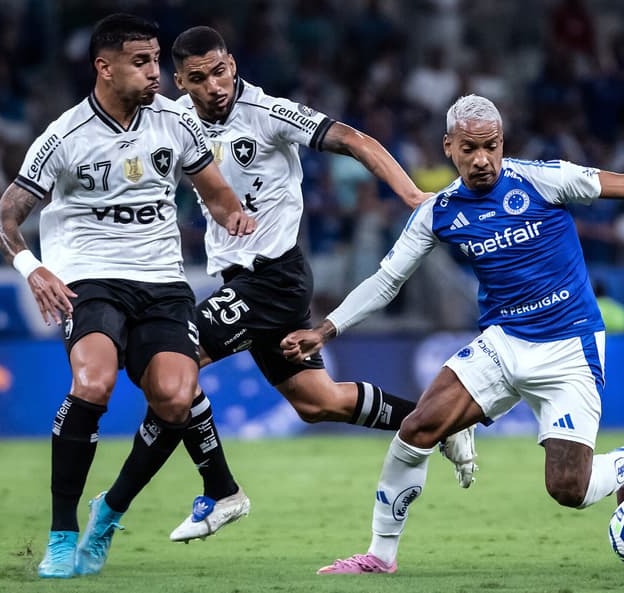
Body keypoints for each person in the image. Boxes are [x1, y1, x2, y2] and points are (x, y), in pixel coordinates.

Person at [280, 94, 624, 574]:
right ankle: (380, 555)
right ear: (449, 148)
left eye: (492, 146)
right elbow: (387, 280)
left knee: (568, 488)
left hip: (569, 348)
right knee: (417, 428)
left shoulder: (544, 181)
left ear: (503, 142)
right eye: (470, 148)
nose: (483, 159)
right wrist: (326, 329)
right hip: (502, 344)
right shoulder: (438, 213)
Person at [142, 26, 477, 544]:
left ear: (232, 63)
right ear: (180, 82)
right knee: (318, 402)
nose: (214, 85)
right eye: (199, 78)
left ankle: (221, 491)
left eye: (221, 70)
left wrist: (412, 196)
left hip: (274, 279)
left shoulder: (270, 112)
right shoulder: (176, 120)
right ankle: (442, 422)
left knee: (172, 359)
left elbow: (355, 140)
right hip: (241, 279)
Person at [0, 14, 255, 579]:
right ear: (104, 68)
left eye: (156, 59)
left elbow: (219, 196)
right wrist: (33, 269)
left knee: (176, 399)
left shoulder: (175, 125)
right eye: (141, 61)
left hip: (162, 283)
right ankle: (62, 536)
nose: (155, 71)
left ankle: (108, 511)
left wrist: (238, 217)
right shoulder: (63, 137)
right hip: (89, 278)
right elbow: (3, 221)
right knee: (93, 383)